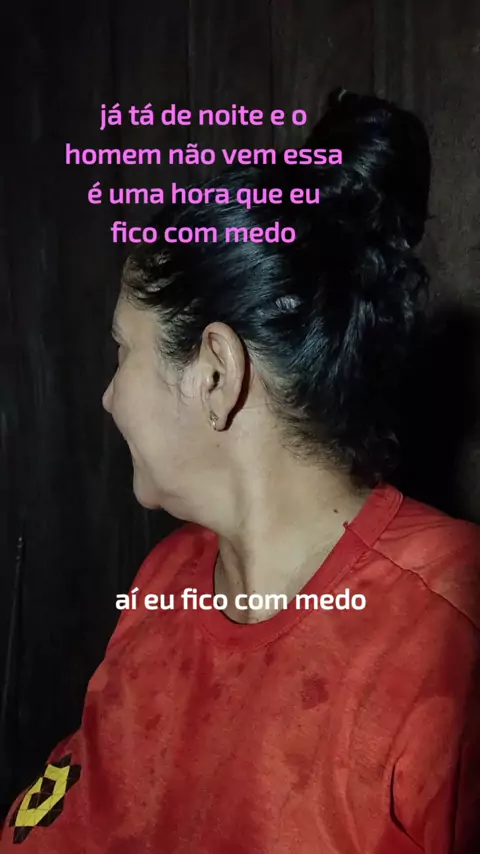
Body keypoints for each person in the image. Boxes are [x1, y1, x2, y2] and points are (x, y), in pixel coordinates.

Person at [1, 88, 479, 853]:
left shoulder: (449, 629)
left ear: (216, 373)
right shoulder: (164, 582)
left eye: (123, 350)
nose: (109, 395)